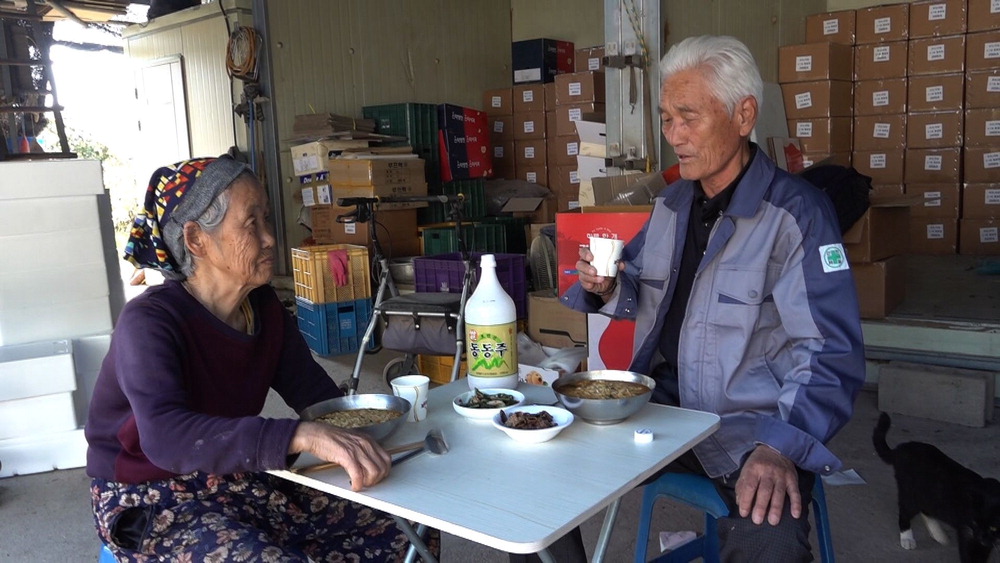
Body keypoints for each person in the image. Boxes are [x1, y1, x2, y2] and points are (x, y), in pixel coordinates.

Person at [561, 35, 865, 561]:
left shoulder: (797, 215)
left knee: (769, 539)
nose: (674, 135)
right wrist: (606, 285)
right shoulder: (671, 205)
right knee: (535, 467)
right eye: (666, 119)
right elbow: (636, 284)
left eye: (688, 117)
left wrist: (779, 445)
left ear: (743, 115)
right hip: (661, 412)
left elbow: (832, 352)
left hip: (752, 430)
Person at [86, 156, 438, 561]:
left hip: (234, 475)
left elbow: (315, 394)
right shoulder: (150, 322)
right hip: (152, 497)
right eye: (251, 223)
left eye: (266, 218)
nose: (270, 238)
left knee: (403, 525)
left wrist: (367, 432)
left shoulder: (263, 308)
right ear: (196, 239)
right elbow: (166, 437)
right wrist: (301, 435)